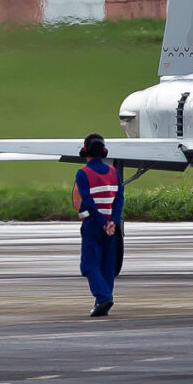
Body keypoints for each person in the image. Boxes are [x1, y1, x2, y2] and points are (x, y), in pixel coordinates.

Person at [73, 133, 124, 317]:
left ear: (85, 151)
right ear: (104, 151)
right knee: (107, 265)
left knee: (89, 264)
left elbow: (87, 201)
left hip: (93, 225)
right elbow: (119, 199)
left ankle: (102, 297)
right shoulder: (114, 172)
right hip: (111, 226)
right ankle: (104, 303)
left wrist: (102, 223)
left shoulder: (83, 173)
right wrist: (113, 222)